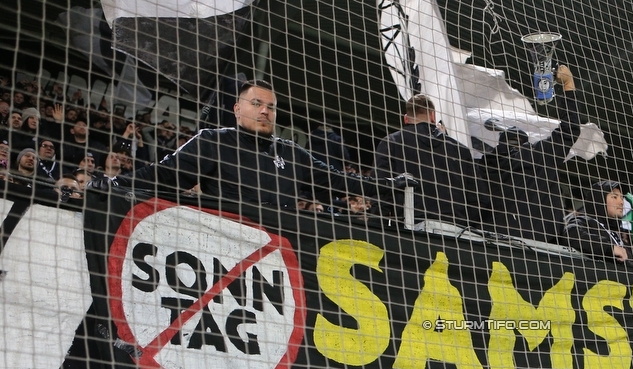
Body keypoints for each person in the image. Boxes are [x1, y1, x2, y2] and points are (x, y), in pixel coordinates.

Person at [91, 80, 371, 210]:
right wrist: (117, 184)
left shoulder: (292, 152)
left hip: (283, 250)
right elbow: (166, 175)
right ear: (237, 109)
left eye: (271, 107)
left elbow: (338, 181)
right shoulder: (213, 141)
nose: (265, 112)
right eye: (257, 104)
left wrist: (389, 184)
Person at [479, 65, 581, 243]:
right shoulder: (539, 156)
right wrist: (568, 83)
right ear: (524, 143)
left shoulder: (484, 166)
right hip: (539, 249)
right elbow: (570, 129)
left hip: (491, 245)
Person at [374, 94, 484, 225]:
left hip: (411, 229)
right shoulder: (460, 150)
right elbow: (479, 198)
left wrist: (377, 226)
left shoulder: (391, 142)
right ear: (433, 116)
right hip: (456, 231)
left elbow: (380, 188)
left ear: (406, 119)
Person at [563, 180, 633, 267]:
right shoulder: (586, 221)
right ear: (599, 199)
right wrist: (608, 248)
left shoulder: (619, 238)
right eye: (614, 197)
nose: (622, 202)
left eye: (622, 198)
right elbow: (570, 234)